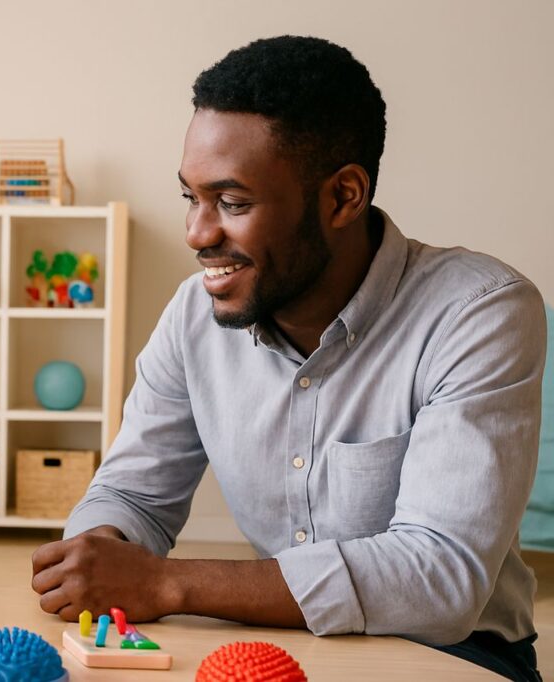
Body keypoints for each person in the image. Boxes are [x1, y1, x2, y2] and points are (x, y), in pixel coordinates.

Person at [30, 36, 544, 681]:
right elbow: (134, 491)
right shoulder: (194, 314)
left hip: (456, 655)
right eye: (191, 197)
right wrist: (103, 548)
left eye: (233, 203)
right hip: (284, 649)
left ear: (342, 197)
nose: (196, 233)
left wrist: (166, 584)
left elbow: (441, 578)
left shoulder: (479, 311)